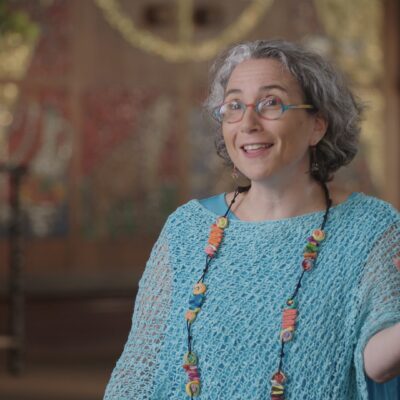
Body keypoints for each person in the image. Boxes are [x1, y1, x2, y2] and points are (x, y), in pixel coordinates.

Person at [104, 39, 400, 399]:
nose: (248, 122)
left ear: (317, 125)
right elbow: (140, 368)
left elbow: (377, 364)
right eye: (233, 106)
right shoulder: (187, 229)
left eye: (270, 103)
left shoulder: (370, 228)